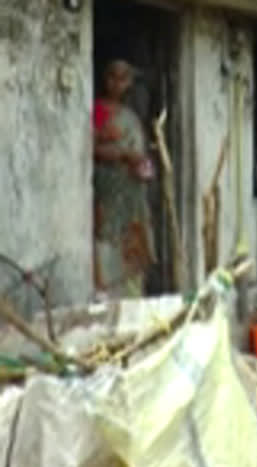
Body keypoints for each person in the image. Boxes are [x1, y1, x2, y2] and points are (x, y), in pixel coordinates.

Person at [92, 59, 155, 298]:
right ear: (105, 79)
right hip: (109, 190)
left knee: (134, 245)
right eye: (112, 77)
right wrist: (123, 155)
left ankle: (133, 299)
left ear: (130, 83)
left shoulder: (132, 116)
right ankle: (106, 296)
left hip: (132, 193)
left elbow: (142, 156)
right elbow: (90, 148)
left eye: (123, 78)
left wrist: (143, 165)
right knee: (107, 242)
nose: (117, 84)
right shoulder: (99, 110)